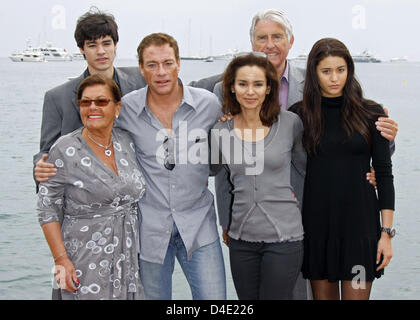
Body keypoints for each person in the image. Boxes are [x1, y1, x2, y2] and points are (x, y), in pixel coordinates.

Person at [190, 8, 399, 299]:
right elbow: (213, 152)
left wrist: (381, 149)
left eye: (277, 36)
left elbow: (347, 140)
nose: (269, 44)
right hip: (250, 220)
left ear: (291, 41)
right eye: (262, 37)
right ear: (252, 43)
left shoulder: (313, 85)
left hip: (313, 212)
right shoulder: (225, 90)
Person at [114, 33, 226, 300]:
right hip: (149, 227)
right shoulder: (126, 110)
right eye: (152, 65)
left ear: (178, 64)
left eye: (167, 63)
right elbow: (98, 140)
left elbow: (230, 143)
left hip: (199, 224)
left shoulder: (208, 105)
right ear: (141, 68)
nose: (161, 72)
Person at [289, 38, 395, 300]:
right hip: (317, 229)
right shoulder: (300, 115)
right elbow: (268, 144)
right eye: (326, 71)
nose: (334, 78)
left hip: (360, 230)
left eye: (341, 70)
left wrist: (386, 234)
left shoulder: (372, 113)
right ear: (314, 73)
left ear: (350, 70)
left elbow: (384, 173)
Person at [37, 75, 146, 300]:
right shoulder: (65, 149)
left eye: (101, 101)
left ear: (117, 108)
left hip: (127, 257)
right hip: (83, 257)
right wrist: (61, 260)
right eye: (85, 102)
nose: (92, 107)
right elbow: (47, 209)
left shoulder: (127, 142)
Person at [211, 53, 306, 299]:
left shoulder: (290, 124)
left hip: (285, 238)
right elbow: (211, 172)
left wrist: (368, 171)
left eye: (257, 84)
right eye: (242, 84)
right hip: (241, 239)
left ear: (268, 88)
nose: (249, 91)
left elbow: (309, 168)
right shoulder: (221, 130)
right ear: (231, 88)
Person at [33, 8, 146, 187]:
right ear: (81, 49)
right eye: (92, 45)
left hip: (136, 193)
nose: (101, 51)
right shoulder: (57, 98)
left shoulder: (141, 81)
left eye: (107, 43)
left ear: (116, 45)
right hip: (84, 194)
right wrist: (39, 166)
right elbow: (47, 151)